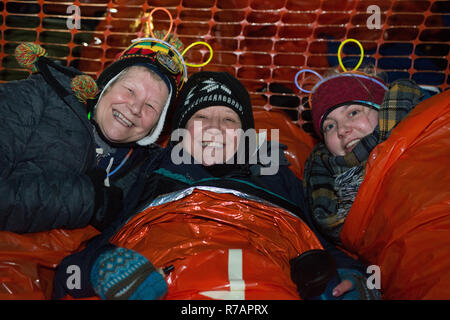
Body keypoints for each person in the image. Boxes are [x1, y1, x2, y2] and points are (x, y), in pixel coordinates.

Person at [53, 71, 378, 300]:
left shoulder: (274, 173)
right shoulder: (155, 170)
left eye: (229, 120)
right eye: (201, 117)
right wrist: (100, 268)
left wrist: (353, 280)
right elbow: (94, 249)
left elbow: (320, 242)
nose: (215, 128)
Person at [0, 37, 185, 233]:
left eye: (151, 106)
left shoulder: (147, 171)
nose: (135, 108)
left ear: (156, 125)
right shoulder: (38, 96)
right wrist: (90, 200)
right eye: (130, 90)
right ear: (106, 87)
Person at [301, 70, 437, 245]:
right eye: (329, 126)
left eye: (353, 113)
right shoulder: (321, 183)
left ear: (382, 110)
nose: (342, 130)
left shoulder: (426, 141)